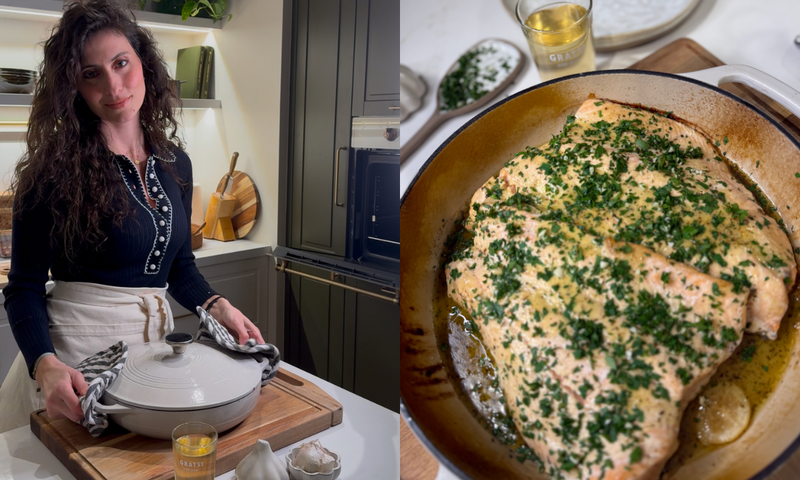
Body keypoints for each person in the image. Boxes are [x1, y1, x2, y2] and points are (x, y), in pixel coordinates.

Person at [0, 0, 264, 433]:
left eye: (121, 63)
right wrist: (43, 365)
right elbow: (24, 287)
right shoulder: (49, 173)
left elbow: (178, 267)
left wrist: (217, 306)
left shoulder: (176, 163)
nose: (114, 85)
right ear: (75, 88)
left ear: (144, 62)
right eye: (92, 74)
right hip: (73, 363)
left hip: (150, 354)